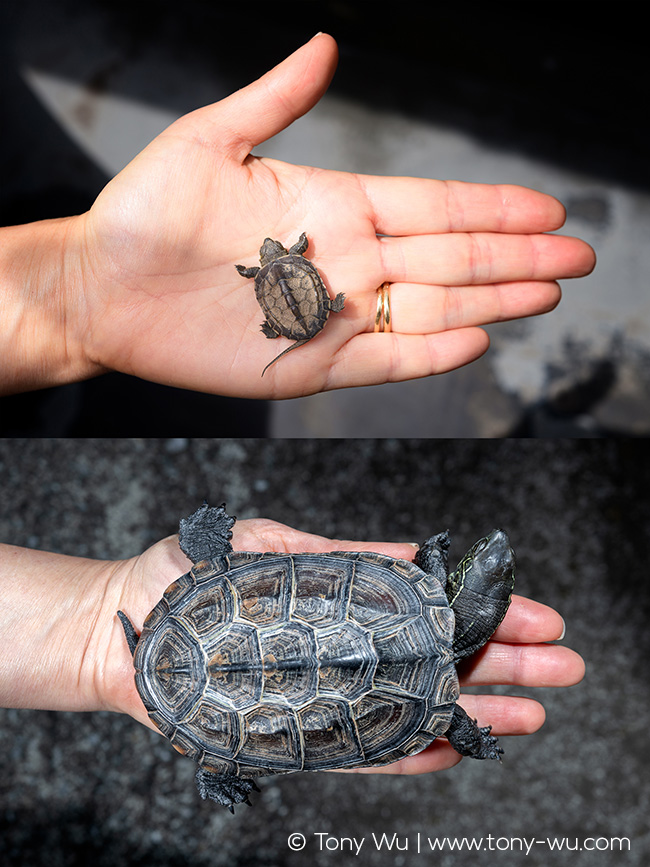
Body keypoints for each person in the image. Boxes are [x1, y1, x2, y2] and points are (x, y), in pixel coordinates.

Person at [0, 34, 595, 400]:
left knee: (299, 312)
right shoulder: (284, 262)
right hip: (310, 319)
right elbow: (289, 260)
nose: (267, 255)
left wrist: (80, 289)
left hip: (297, 325)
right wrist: (82, 287)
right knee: (319, 307)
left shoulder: (261, 275)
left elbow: (266, 274)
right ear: (284, 252)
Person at [0, 514, 584, 776]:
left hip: (202, 621)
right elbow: (451, 724)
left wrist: (428, 558)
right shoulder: (434, 707)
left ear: (459, 583)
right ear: (467, 598)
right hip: (207, 667)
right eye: (487, 564)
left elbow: (452, 723)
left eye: (483, 568)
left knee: (214, 548)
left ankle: (220, 765)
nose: (486, 554)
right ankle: (221, 766)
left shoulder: (416, 584)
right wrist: (472, 741)